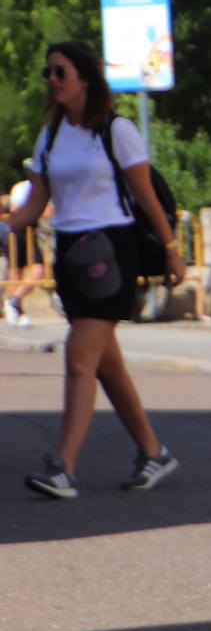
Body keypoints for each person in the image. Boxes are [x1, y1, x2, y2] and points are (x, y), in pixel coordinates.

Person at [0, 41, 184, 498]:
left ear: (84, 77)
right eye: (49, 73)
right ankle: (153, 452)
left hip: (111, 251)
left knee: (80, 356)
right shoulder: (52, 135)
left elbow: (145, 196)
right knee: (106, 365)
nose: (53, 81)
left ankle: (62, 466)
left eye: (60, 72)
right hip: (69, 254)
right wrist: (4, 228)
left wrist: (172, 249)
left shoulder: (116, 131)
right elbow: (36, 205)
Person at [4, 157, 45, 327]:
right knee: (16, 273)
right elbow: (15, 209)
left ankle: (13, 301)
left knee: (38, 271)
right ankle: (16, 310)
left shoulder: (41, 188)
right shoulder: (22, 188)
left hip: (30, 231)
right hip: (18, 231)